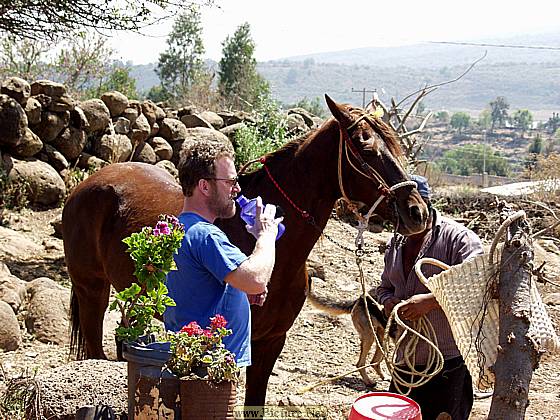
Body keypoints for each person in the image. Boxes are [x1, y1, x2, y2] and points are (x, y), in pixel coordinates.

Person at [164, 140, 282, 369]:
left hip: (190, 358)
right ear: (205, 187)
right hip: (211, 368)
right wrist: (266, 235)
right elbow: (256, 280)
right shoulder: (206, 235)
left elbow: (195, 288)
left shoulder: (180, 228)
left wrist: (236, 292)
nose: (237, 189)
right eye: (230, 181)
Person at [376, 175, 484, 420]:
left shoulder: (460, 240)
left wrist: (430, 302)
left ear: (425, 203)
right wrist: (388, 302)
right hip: (406, 360)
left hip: (449, 362)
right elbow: (384, 288)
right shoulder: (396, 243)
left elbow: (478, 285)